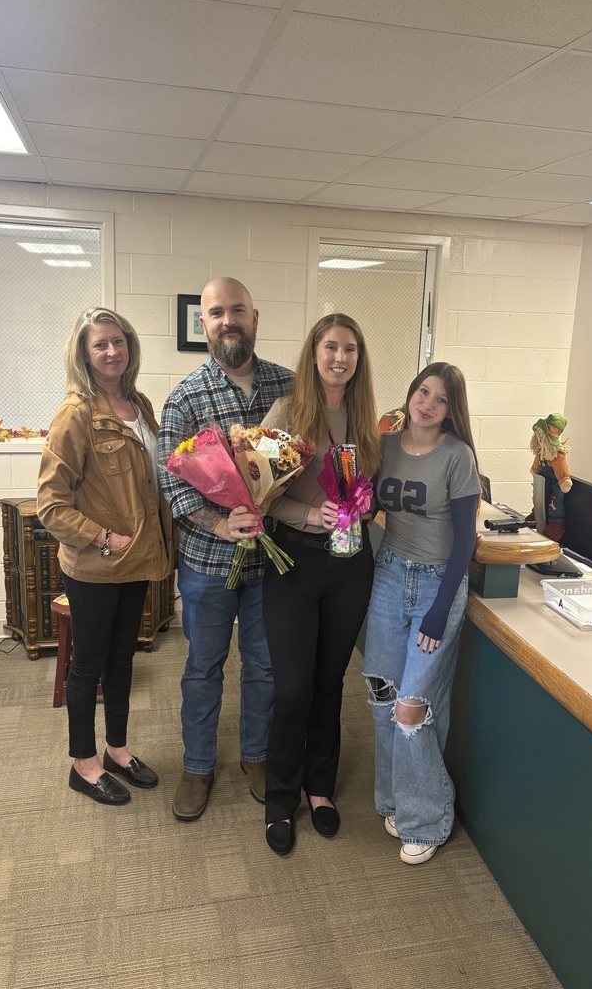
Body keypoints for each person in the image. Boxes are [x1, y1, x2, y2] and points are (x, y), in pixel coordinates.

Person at [158, 277, 293, 822]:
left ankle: (256, 756)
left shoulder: (288, 387)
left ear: (255, 317)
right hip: (207, 565)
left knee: (264, 667)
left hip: (273, 561)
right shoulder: (185, 397)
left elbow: (298, 463)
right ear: (205, 324)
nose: (228, 320)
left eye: (237, 310)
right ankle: (197, 764)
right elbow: (173, 483)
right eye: (217, 313)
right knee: (203, 667)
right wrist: (220, 522)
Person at [37, 308, 172, 805]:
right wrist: (101, 539)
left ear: (130, 347)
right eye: (100, 344)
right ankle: (83, 763)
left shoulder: (139, 403)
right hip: (96, 565)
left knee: (122, 659)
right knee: (87, 665)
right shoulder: (75, 414)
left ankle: (117, 748)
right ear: (84, 353)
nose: (112, 351)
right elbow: (51, 504)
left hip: (137, 560)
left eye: (119, 341)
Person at [260, 314, 382, 855]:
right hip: (294, 562)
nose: (340, 358)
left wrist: (363, 504)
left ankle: (320, 790)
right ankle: (280, 799)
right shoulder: (287, 413)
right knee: (291, 690)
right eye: (330, 347)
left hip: (350, 564)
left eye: (350, 349)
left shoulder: (365, 418)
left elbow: (371, 492)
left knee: (329, 683)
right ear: (313, 353)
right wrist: (313, 515)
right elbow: (259, 496)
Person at [363, 362, 481, 865]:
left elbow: (465, 544)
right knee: (382, 695)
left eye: (441, 399)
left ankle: (428, 818)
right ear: (410, 393)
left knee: (413, 707)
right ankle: (394, 798)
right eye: (422, 391)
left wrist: (438, 613)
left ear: (451, 411)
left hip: (437, 585)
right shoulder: (384, 445)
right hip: (389, 575)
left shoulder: (457, 457)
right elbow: (363, 505)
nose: (427, 402)